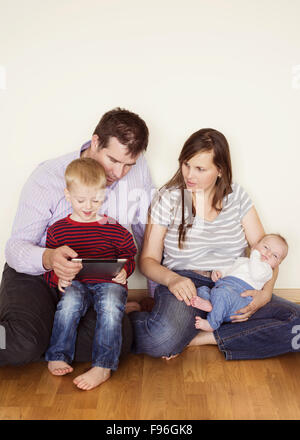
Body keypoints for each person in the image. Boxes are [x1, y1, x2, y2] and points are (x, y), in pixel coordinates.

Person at [128, 128, 300, 361]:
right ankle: (141, 318)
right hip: (186, 283)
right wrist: (173, 279)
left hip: (235, 287)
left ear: (220, 170)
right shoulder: (168, 198)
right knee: (162, 339)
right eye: (186, 164)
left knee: (297, 323)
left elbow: (266, 254)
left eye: (200, 169)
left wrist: (265, 295)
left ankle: (205, 337)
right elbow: (147, 261)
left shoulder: (237, 197)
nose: (189, 174)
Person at [2, 107, 155, 366]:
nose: (119, 173)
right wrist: (49, 258)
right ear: (95, 142)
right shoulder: (48, 176)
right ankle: (32, 334)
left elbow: (145, 233)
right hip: (37, 275)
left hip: (91, 280)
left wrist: (154, 295)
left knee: (120, 339)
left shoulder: (138, 172)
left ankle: (45, 332)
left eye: (128, 164)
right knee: (22, 343)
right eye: (113, 160)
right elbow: (15, 248)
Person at [44, 158, 136, 390]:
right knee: (69, 304)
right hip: (76, 284)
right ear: (68, 195)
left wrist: (125, 271)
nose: (88, 206)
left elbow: (130, 256)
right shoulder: (57, 231)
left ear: (103, 195)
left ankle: (103, 365)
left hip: (109, 284)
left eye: (95, 200)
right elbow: (53, 266)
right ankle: (58, 354)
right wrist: (59, 279)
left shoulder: (115, 229)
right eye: (81, 200)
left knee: (111, 303)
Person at [191, 234, 288, 331]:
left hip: (239, 296)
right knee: (202, 290)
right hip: (224, 287)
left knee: (222, 294)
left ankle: (212, 324)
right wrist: (219, 272)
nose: (268, 254)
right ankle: (211, 305)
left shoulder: (267, 270)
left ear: (277, 264)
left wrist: (255, 254)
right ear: (255, 245)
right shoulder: (243, 261)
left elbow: (256, 274)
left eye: (275, 255)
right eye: (266, 247)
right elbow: (231, 269)